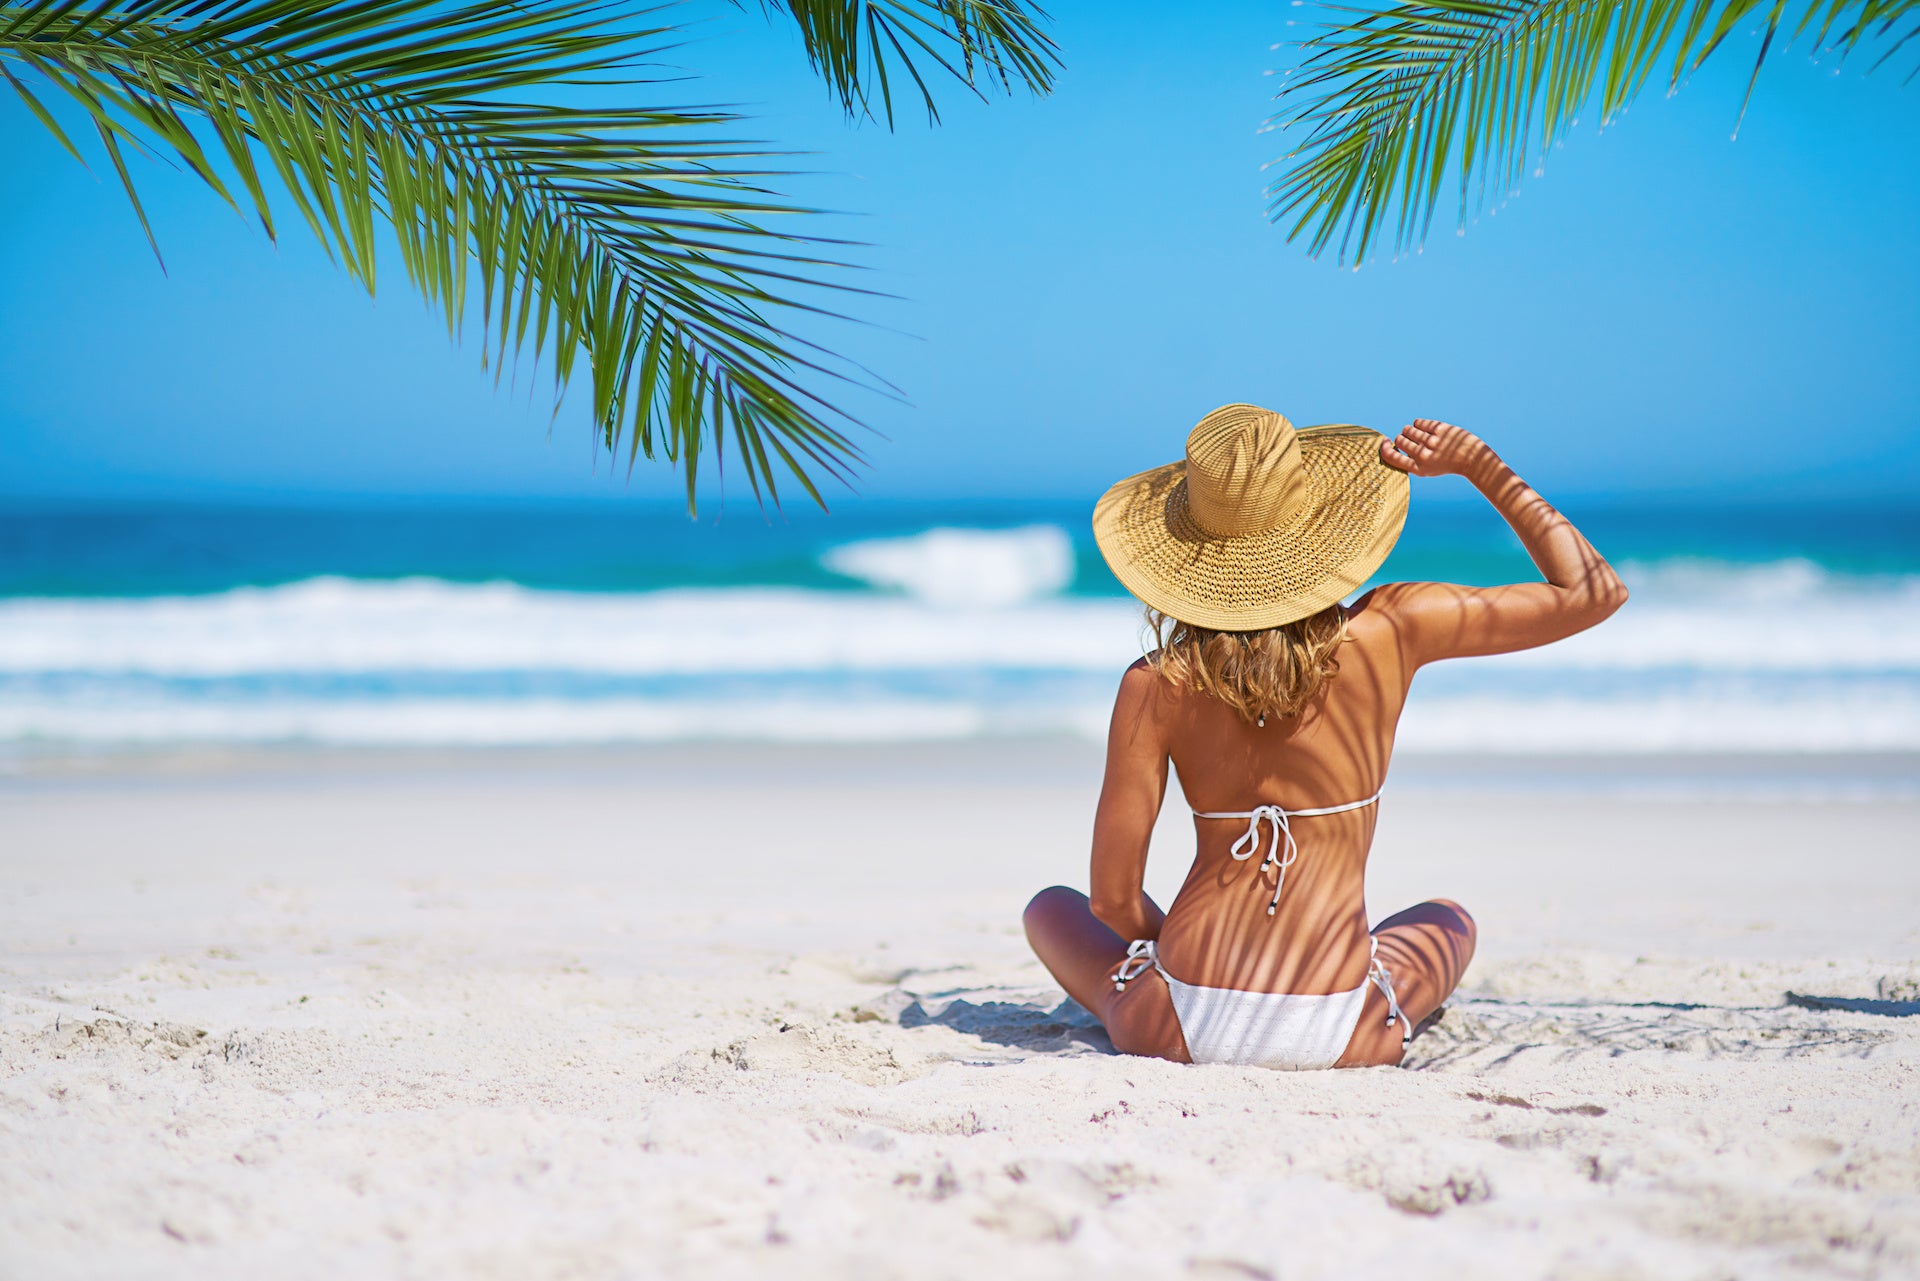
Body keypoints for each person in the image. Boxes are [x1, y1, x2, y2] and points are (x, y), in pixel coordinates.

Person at [1023, 406, 1627, 1069]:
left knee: (1051, 907)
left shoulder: (1156, 682)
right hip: (1342, 1029)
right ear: (1318, 528)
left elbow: (1111, 897)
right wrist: (1480, 468)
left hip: (1179, 1017)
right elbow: (1593, 592)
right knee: (1449, 919)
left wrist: (1179, 953)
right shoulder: (1393, 628)